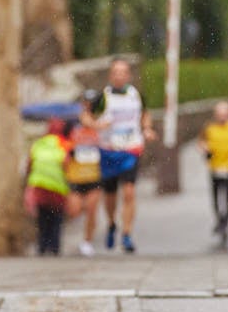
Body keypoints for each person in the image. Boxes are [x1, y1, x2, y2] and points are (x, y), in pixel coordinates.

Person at [93, 58, 156, 254]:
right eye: (116, 72)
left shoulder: (136, 95)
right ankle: (112, 223)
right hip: (109, 149)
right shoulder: (102, 97)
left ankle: (127, 233)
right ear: (110, 75)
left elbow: (145, 114)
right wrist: (96, 125)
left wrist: (147, 129)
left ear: (128, 75)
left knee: (129, 192)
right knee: (110, 194)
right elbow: (85, 115)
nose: (119, 75)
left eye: (123, 72)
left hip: (130, 147)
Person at [24, 118, 80, 255]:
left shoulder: (39, 143)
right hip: (57, 188)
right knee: (56, 219)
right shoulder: (64, 144)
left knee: (42, 218)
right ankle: (54, 247)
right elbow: (67, 165)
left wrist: (28, 183)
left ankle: (42, 247)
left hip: (39, 186)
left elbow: (29, 163)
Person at [64, 90, 103, 256]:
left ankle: (87, 241)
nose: (89, 106)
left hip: (94, 175)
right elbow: (64, 143)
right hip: (75, 175)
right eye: (86, 102)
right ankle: (76, 235)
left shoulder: (101, 123)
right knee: (74, 210)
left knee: (92, 209)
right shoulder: (72, 124)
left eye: (92, 103)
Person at [197, 101, 228, 248]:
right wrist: (204, 148)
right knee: (216, 198)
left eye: (225, 114)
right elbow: (201, 142)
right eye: (220, 114)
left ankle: (224, 223)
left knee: (227, 198)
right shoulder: (209, 128)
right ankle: (219, 220)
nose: (222, 117)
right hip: (214, 167)